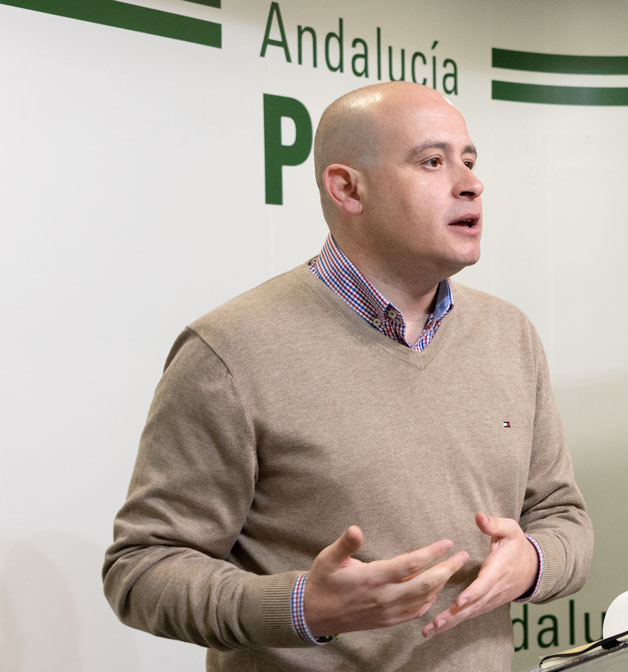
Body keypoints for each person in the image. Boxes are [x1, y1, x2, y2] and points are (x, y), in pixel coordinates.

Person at [102, 82, 593, 671]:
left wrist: (533, 561)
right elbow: (142, 569)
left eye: (469, 160)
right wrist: (305, 608)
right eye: (432, 162)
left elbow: (563, 517)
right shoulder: (229, 350)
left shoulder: (509, 335)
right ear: (346, 189)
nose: (470, 183)